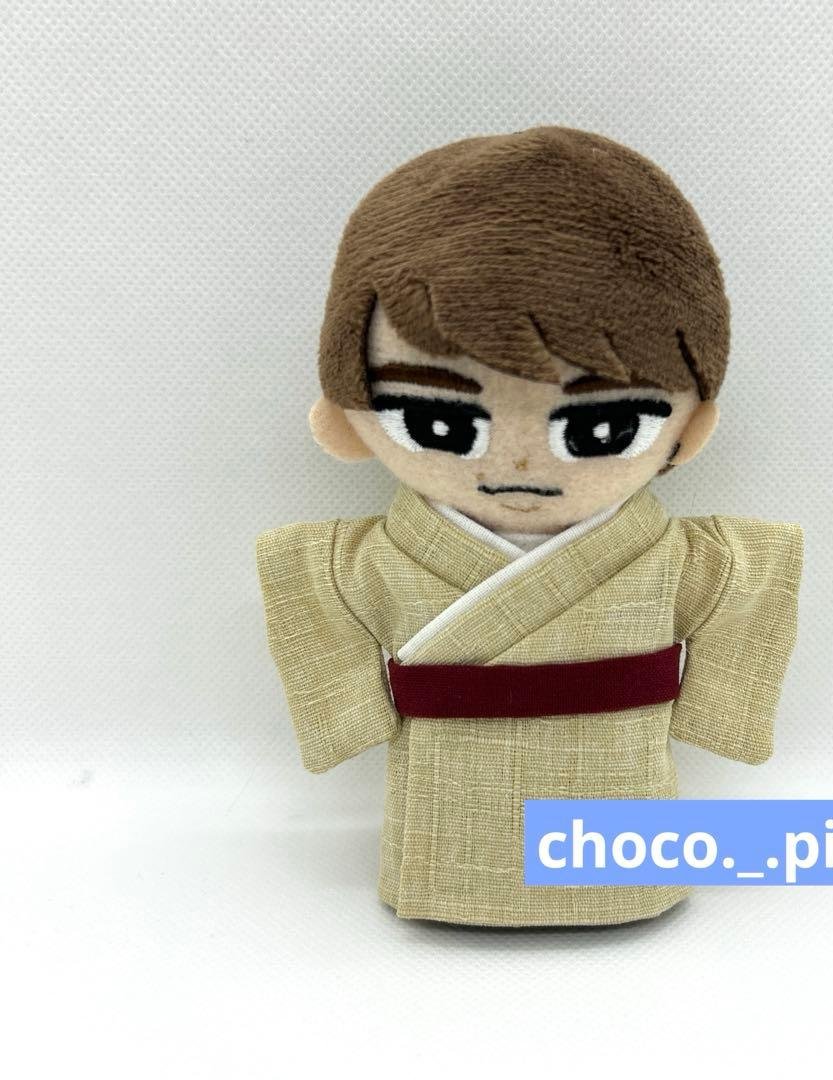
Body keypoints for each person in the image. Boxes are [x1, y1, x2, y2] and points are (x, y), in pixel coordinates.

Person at [256, 126, 804, 926]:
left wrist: (718, 707)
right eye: (440, 423)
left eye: (602, 426)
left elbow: (747, 590)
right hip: (447, 792)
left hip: (619, 782)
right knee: (454, 841)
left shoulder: (683, 561)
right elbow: (315, 600)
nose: (518, 464)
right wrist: (349, 713)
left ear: (689, 429)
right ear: (345, 422)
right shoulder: (360, 563)